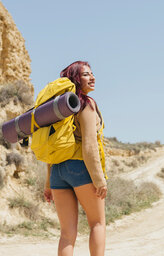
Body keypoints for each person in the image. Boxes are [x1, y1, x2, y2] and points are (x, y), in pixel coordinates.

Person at [44, 61, 107, 256]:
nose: (92, 77)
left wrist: (48, 183)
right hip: (80, 168)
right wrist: (99, 179)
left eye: (92, 73)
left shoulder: (57, 110)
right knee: (97, 223)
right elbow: (89, 146)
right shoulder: (86, 104)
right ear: (75, 80)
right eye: (86, 75)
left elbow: (52, 148)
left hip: (58, 171)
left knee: (67, 233)